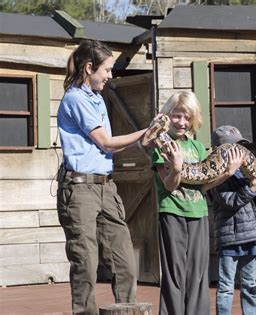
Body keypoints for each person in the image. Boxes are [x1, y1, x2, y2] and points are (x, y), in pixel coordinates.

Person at [56, 40, 150, 313]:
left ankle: (127, 311)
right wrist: (144, 132)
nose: (110, 75)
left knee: (124, 261)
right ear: (89, 68)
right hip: (80, 189)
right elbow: (106, 143)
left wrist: (144, 141)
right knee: (85, 263)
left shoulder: (97, 98)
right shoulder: (75, 98)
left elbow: (111, 144)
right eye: (106, 70)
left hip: (106, 187)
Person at [152, 91, 239, 315]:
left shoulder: (199, 148)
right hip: (172, 211)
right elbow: (169, 186)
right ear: (168, 115)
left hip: (198, 212)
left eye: (187, 117)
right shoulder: (162, 146)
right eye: (177, 116)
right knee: (175, 274)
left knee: (199, 275)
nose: (182, 122)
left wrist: (227, 173)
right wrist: (178, 168)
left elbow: (203, 185)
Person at [210, 126, 256, 315]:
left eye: (241, 147)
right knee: (226, 286)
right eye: (234, 149)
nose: (240, 153)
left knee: (249, 284)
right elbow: (231, 202)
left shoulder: (249, 175)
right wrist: (253, 187)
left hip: (251, 239)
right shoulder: (218, 178)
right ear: (220, 151)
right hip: (229, 240)